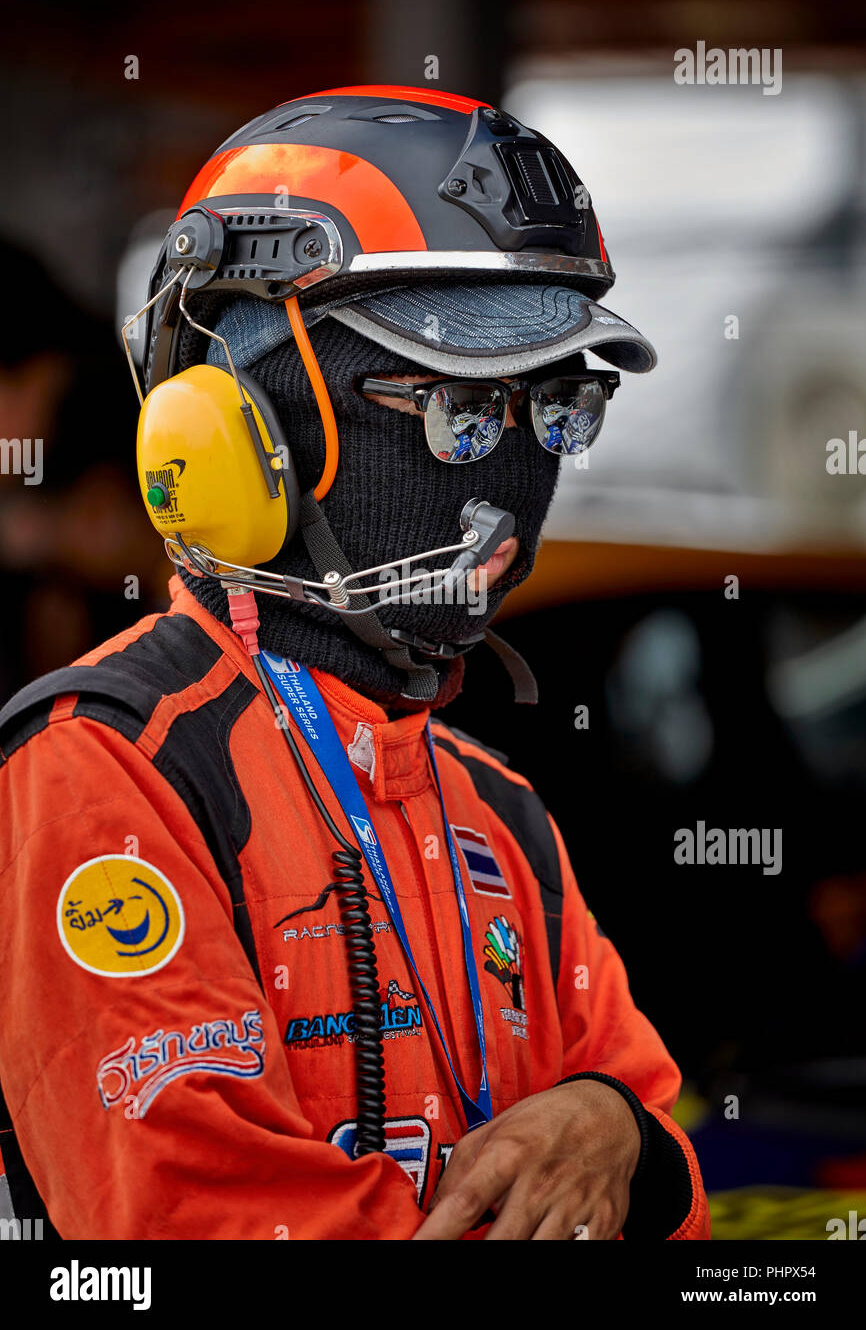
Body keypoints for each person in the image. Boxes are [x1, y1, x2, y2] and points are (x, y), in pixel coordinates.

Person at [0, 86, 709, 1240]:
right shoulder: (106, 770)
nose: (515, 476)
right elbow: (199, 1220)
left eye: (555, 407)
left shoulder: (501, 812)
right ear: (237, 426)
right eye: (457, 409)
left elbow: (671, 1189)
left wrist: (612, 1127)